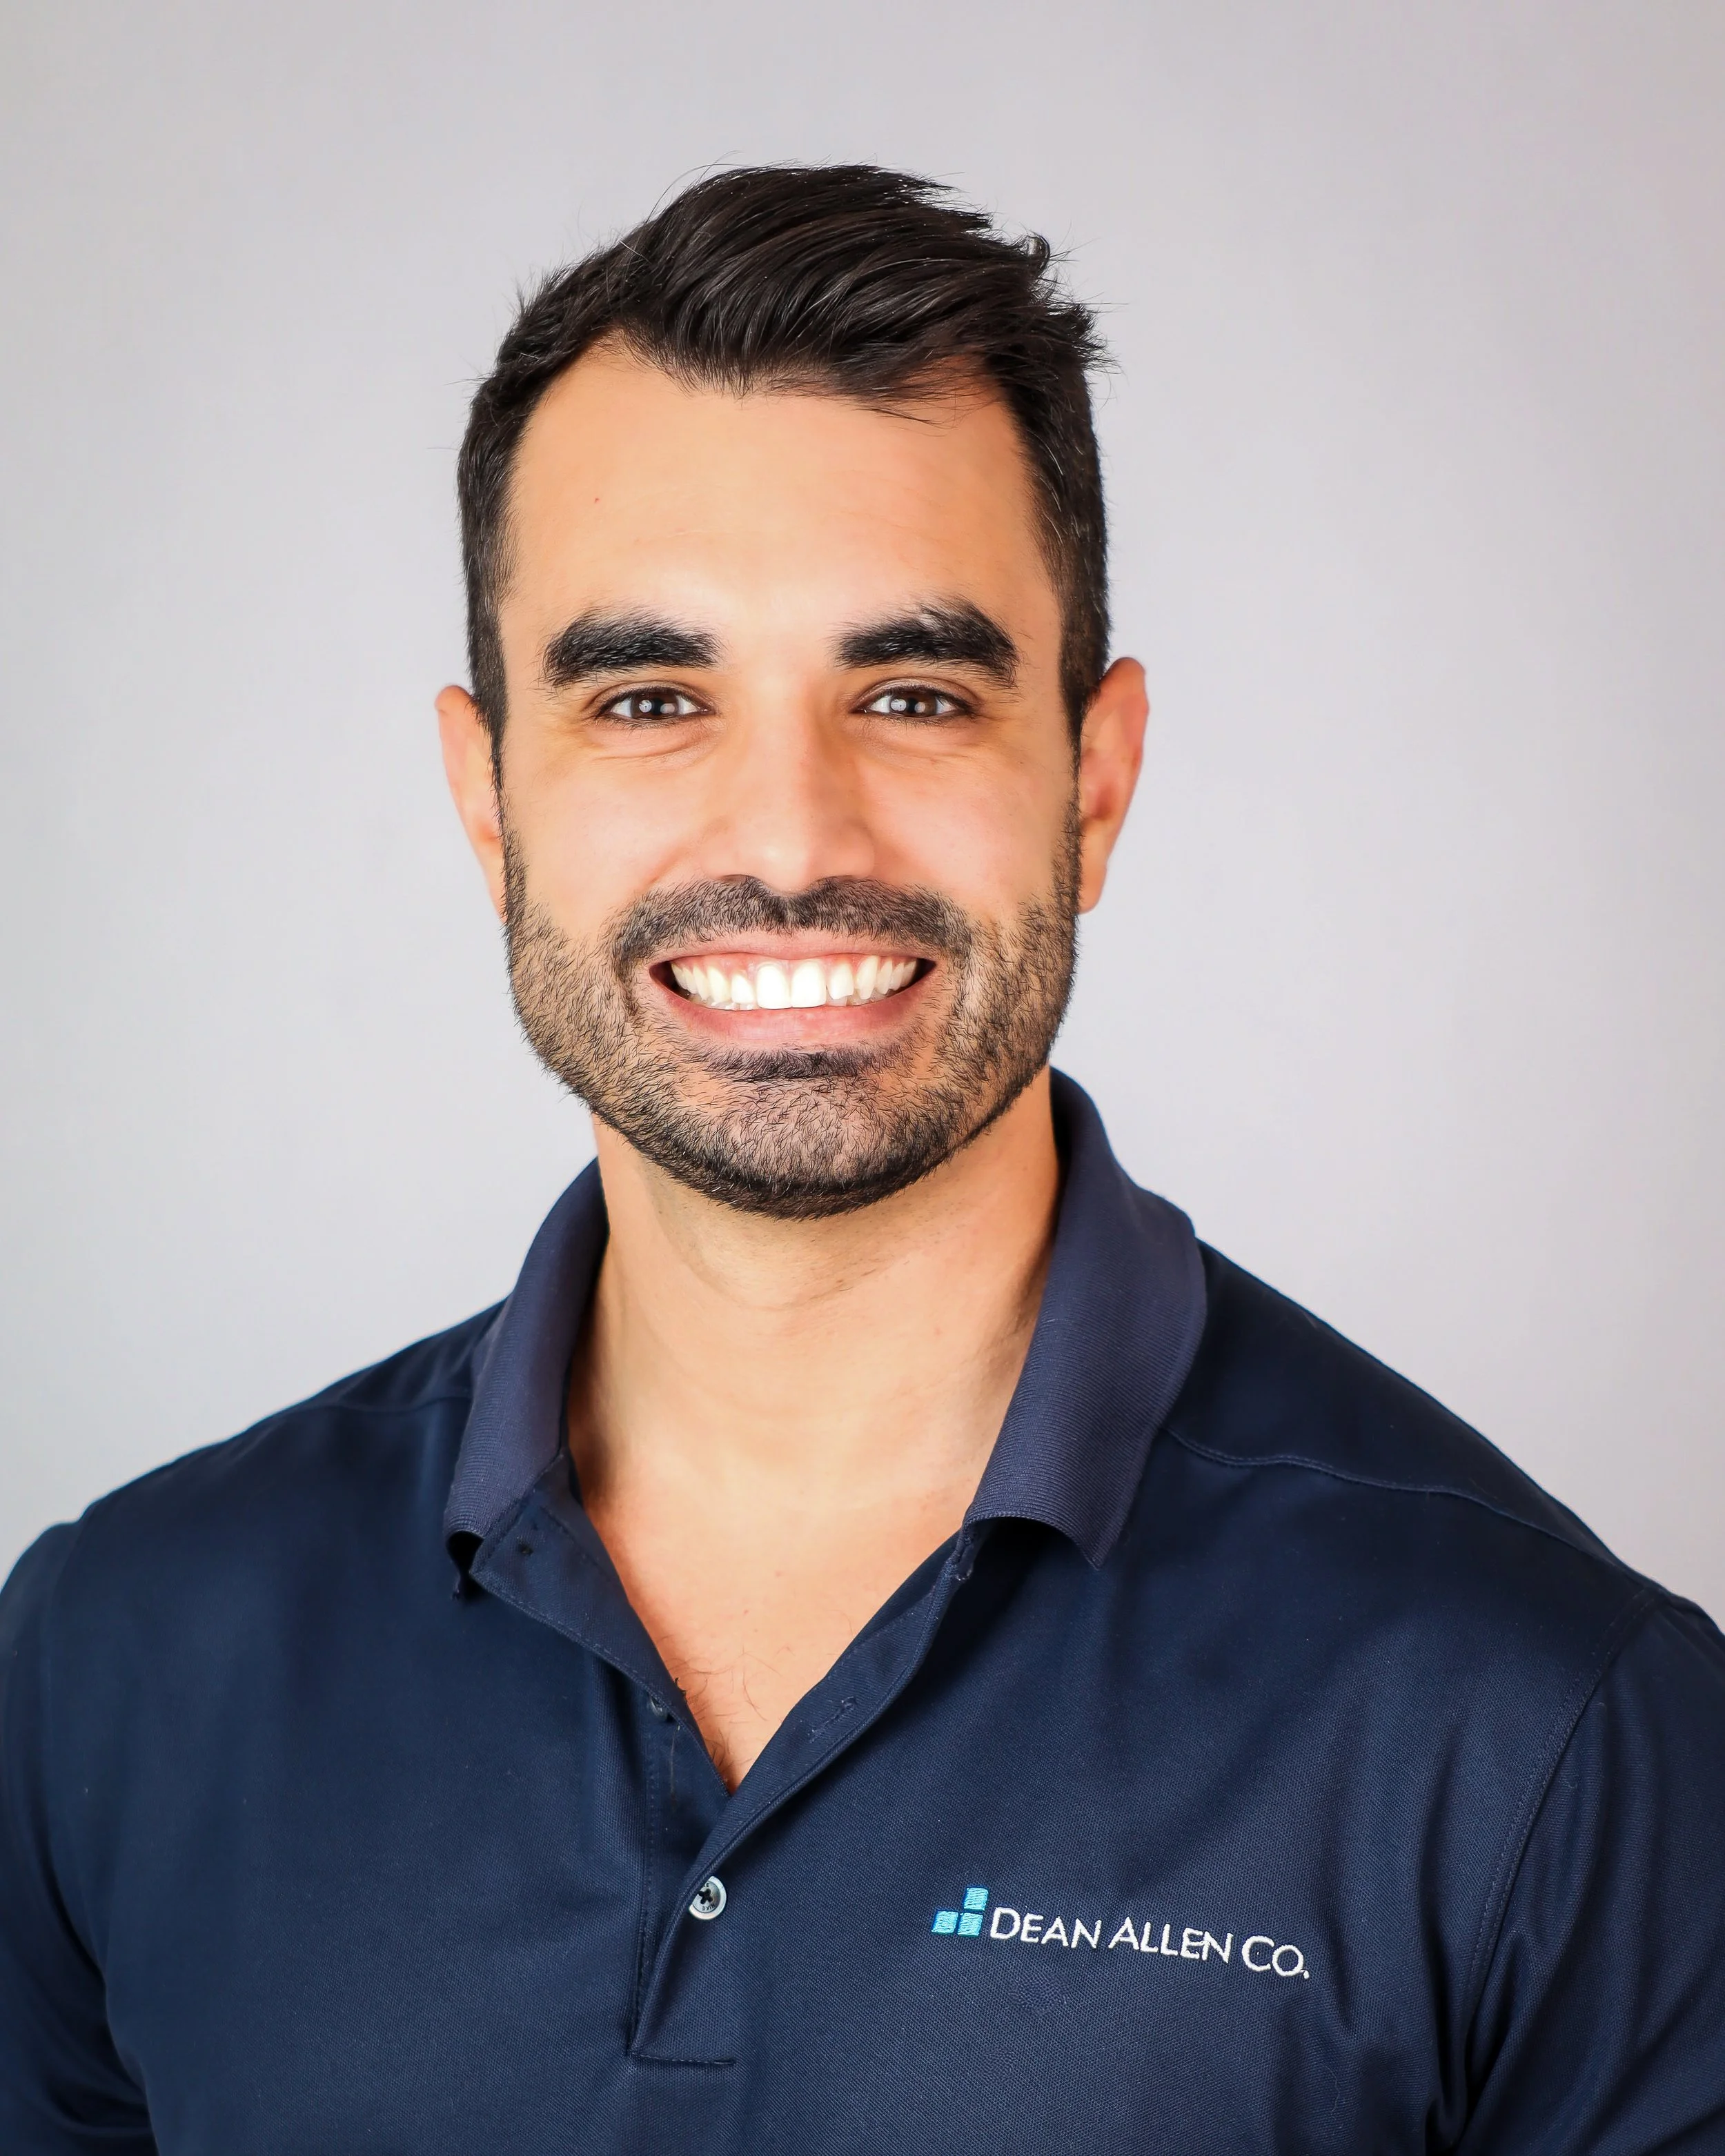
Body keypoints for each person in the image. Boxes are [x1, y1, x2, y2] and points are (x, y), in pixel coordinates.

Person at [2, 164, 1722, 2156]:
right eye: (650, 697)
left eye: (910, 694)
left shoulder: (1553, 1721)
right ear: (488, 795)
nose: (793, 829)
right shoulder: (112, 1663)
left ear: (1092, 779)